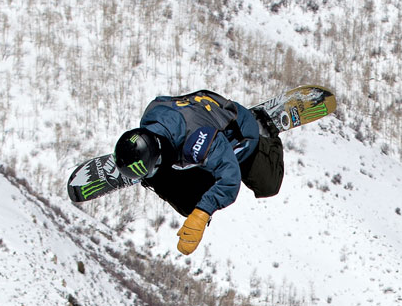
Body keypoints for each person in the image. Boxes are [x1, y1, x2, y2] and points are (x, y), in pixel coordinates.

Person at [112, 90, 285, 255]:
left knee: (268, 185)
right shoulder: (150, 120)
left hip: (240, 134)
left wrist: (203, 212)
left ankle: (264, 129)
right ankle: (156, 176)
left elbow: (230, 178)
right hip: (202, 120)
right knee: (187, 203)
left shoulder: (197, 142)